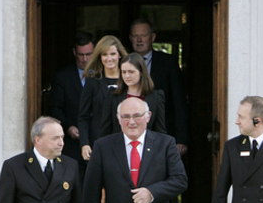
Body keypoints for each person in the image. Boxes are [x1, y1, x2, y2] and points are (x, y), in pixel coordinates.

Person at [129, 19, 189, 155]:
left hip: (162, 132)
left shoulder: (168, 63)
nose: (139, 40)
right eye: (135, 36)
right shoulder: (124, 63)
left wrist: (181, 139)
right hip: (130, 131)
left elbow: (178, 101)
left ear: (152, 37)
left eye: (143, 35)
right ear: (130, 38)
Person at [49, 31, 94, 176]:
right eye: (81, 54)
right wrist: (68, 127)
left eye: (89, 54)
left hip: (98, 142)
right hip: (73, 146)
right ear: (74, 52)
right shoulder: (62, 77)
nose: (85, 59)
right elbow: (55, 108)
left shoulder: (103, 76)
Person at [77, 35, 128, 162]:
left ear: (119, 55)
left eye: (112, 54)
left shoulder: (128, 79)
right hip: (98, 142)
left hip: (125, 140)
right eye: (105, 54)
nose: (109, 58)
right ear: (100, 56)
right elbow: (83, 116)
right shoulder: (92, 81)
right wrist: (84, 143)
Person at [99, 52, 166, 137]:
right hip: (118, 147)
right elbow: (105, 130)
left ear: (141, 72)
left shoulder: (156, 97)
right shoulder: (113, 96)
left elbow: (160, 132)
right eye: (124, 72)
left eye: (131, 72)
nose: (127, 76)